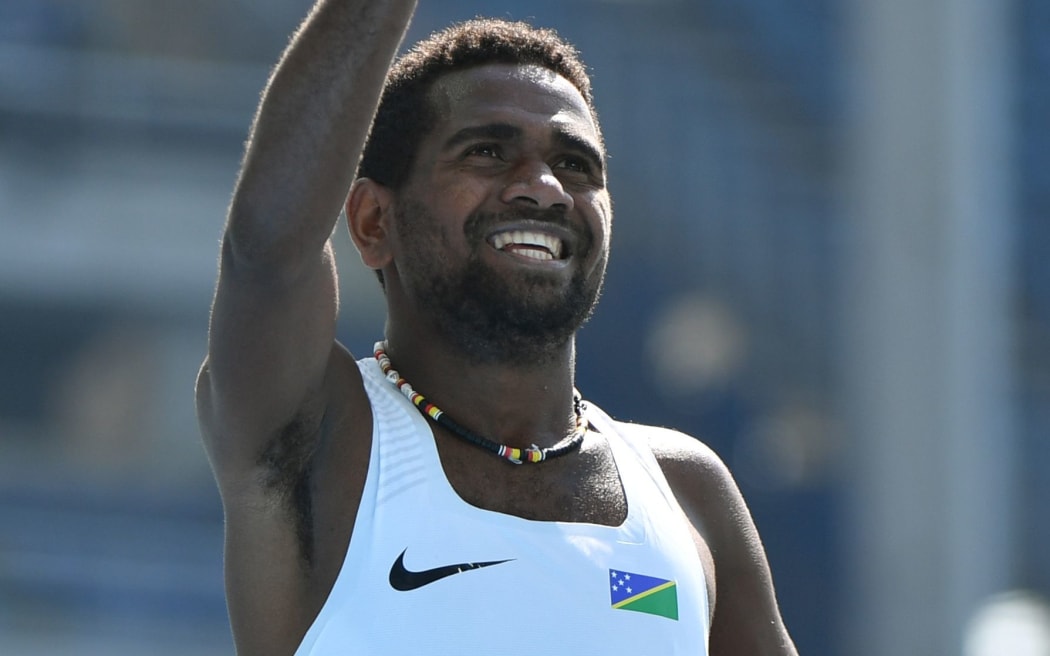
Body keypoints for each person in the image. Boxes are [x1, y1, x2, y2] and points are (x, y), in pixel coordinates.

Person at [195, 1, 798, 654]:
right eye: (487, 152)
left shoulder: (685, 489)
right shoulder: (326, 432)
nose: (542, 188)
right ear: (373, 222)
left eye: (576, 166)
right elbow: (267, 254)